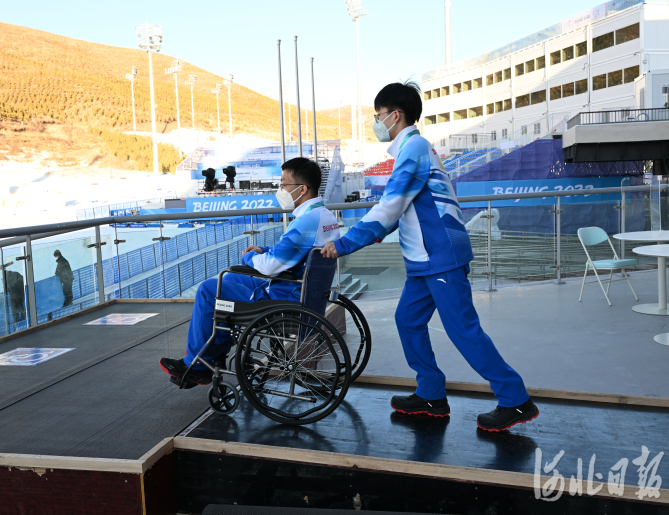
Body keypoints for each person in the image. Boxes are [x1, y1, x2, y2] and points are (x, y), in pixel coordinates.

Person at [321, 82, 538, 432]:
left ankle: (515, 400)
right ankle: (431, 394)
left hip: (441, 256)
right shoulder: (412, 149)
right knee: (408, 320)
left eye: (378, 116)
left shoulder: (415, 148)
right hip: (424, 261)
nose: (376, 123)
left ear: (395, 115)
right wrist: (366, 235)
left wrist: (344, 243)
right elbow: (403, 211)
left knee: (464, 331)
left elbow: (389, 207)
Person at [160, 157, 341, 387]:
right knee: (233, 278)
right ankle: (214, 351)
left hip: (284, 296)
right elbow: (296, 253)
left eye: (284, 184)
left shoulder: (306, 221)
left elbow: (270, 266)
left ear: (302, 189)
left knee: (209, 289)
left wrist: (250, 256)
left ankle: (196, 364)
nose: (281, 189)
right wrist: (264, 249)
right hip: (301, 290)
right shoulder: (325, 216)